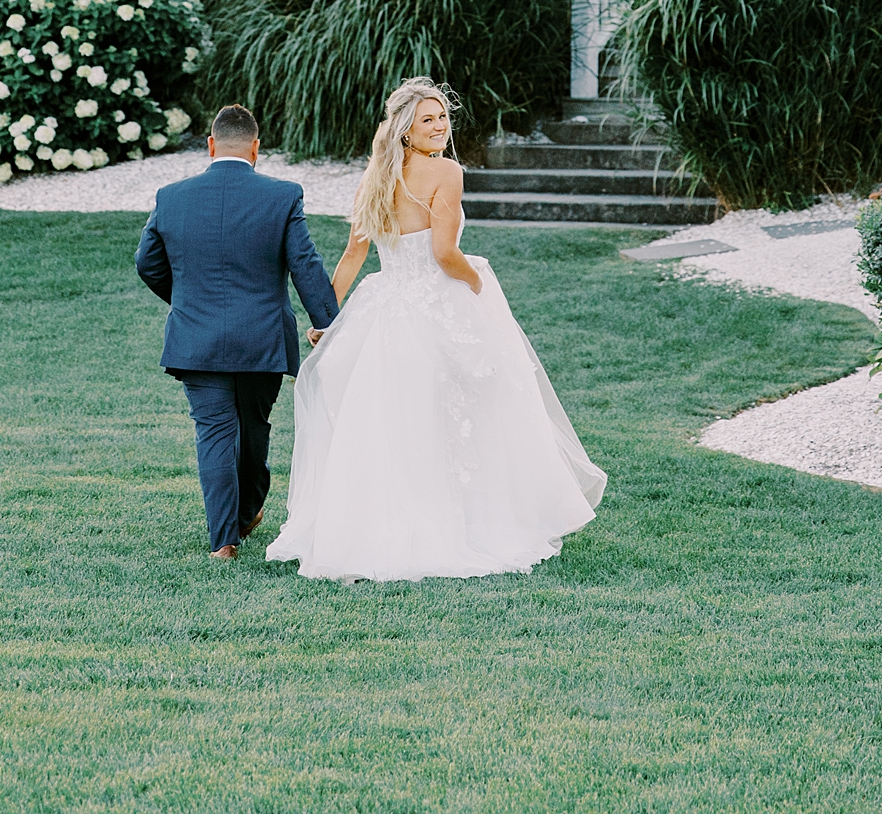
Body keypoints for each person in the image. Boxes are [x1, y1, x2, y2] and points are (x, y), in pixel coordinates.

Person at [267, 76, 607, 583]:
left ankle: (381, 529)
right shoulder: (446, 173)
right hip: (435, 306)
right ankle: (464, 525)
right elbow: (446, 255)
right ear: (406, 129)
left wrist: (328, 317)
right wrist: (479, 283)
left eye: (444, 116)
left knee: (394, 423)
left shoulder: (375, 177)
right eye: (428, 119)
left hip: (381, 309)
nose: (441, 126)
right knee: (460, 418)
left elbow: (354, 256)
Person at [135, 104, 339, 560]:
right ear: (256, 148)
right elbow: (305, 265)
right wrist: (329, 323)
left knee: (213, 433)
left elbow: (146, 263)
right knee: (254, 430)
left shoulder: (172, 196)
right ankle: (246, 514)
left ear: (210, 145)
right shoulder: (284, 195)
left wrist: (189, 300)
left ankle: (224, 540)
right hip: (261, 339)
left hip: (197, 339)